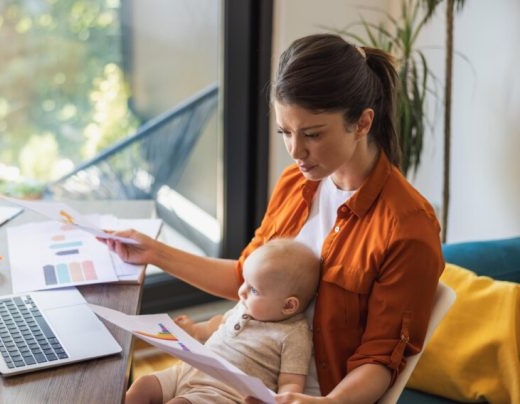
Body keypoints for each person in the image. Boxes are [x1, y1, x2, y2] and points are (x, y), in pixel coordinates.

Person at [100, 33, 444, 403]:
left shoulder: (407, 228)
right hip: (234, 365)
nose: (296, 151)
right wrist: (154, 253)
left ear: (362, 123)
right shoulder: (296, 183)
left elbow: (380, 361)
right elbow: (246, 279)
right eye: (286, 132)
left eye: (312, 134)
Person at [126, 239, 321, 404]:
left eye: (253, 289)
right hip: (188, 371)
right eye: (244, 281)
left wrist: (281, 399)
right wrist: (194, 329)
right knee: (142, 386)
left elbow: (291, 382)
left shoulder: (294, 335)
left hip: (223, 393)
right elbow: (219, 323)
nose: (241, 291)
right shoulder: (245, 306)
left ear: (288, 306)